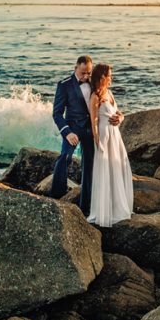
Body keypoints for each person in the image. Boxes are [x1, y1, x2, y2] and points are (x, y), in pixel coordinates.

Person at [50, 55, 122, 215]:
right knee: (65, 157)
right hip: (73, 129)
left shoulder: (95, 84)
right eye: (83, 73)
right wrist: (67, 132)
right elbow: (56, 114)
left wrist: (119, 116)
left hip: (91, 129)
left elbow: (108, 103)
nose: (86, 76)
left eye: (89, 73)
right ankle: (55, 196)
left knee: (89, 165)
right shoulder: (64, 85)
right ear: (75, 68)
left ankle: (86, 206)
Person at [87, 63, 133, 227]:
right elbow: (94, 122)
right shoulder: (95, 97)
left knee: (117, 168)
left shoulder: (110, 93)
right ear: (102, 77)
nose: (111, 78)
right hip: (104, 135)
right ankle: (105, 211)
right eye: (109, 75)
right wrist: (98, 142)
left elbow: (118, 113)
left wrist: (120, 118)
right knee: (106, 170)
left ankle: (117, 206)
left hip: (115, 135)